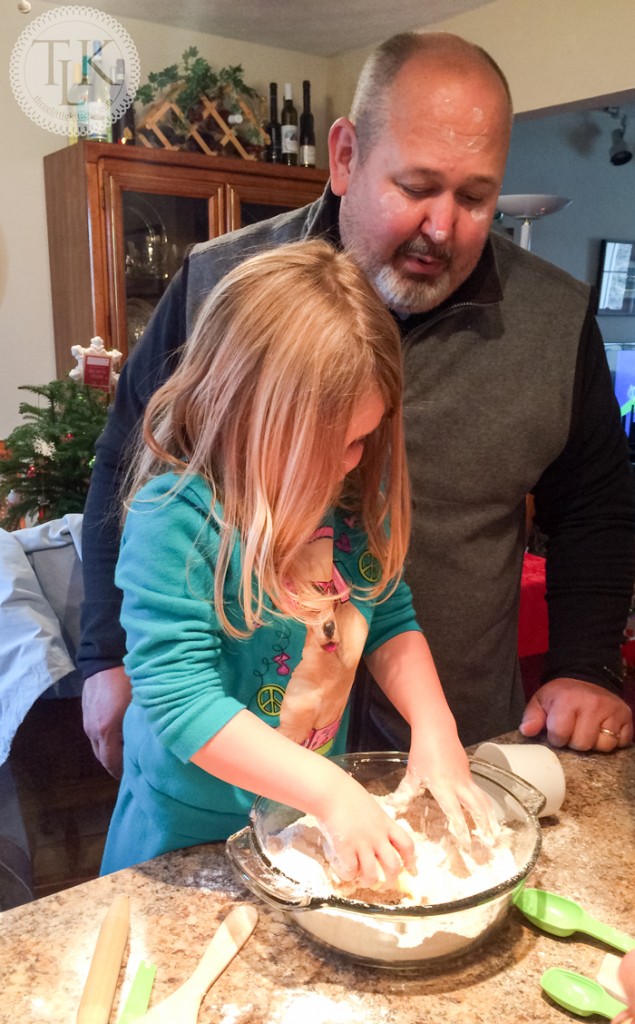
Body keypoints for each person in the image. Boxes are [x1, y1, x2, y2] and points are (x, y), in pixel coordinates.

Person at [79, 30, 635, 780]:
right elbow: (128, 461)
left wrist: (586, 664)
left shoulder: (557, 320)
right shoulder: (221, 283)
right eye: (415, 187)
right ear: (344, 157)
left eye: (475, 198)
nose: (442, 227)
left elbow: (596, 508)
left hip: (457, 740)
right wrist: (104, 653)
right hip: (234, 762)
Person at [99, 240, 496, 878]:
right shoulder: (173, 521)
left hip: (300, 822)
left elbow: (389, 622)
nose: (350, 465)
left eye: (362, 439)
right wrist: (330, 791)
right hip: (184, 839)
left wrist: (435, 725)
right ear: (238, 413)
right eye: (325, 446)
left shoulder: (351, 506)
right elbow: (181, 700)